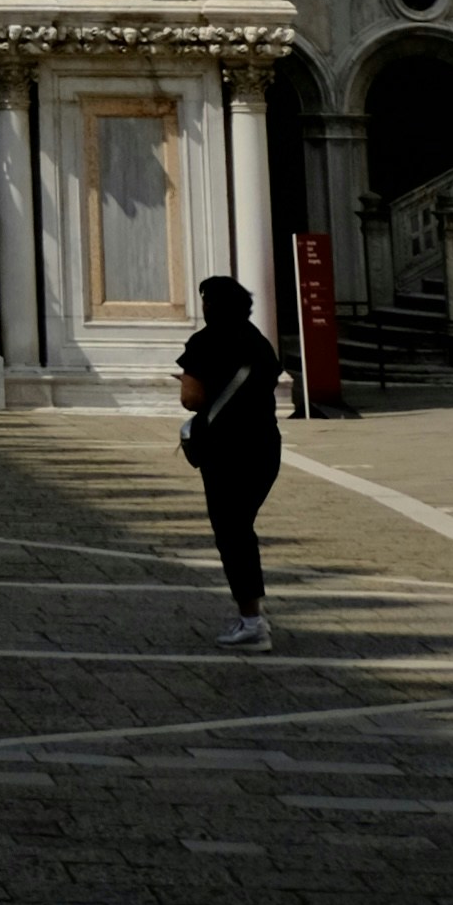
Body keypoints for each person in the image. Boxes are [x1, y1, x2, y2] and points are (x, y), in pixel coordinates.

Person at [178, 272, 289, 647]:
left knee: (233, 533)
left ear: (212, 305)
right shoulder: (259, 342)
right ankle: (252, 614)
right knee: (241, 527)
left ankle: (252, 621)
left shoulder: (204, 342)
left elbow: (191, 399)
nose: (203, 306)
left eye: (206, 300)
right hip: (264, 445)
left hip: (225, 450)